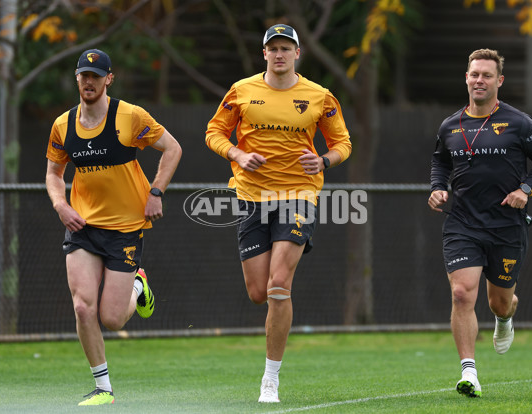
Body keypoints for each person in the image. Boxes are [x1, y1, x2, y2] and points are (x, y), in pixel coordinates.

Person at [205, 24, 352, 403]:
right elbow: (214, 132)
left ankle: (270, 379)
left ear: (297, 53)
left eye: (287, 47)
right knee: (258, 293)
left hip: (299, 195)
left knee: (278, 284)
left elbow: (342, 143)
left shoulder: (319, 96)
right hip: (253, 197)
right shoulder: (242, 90)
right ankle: (277, 306)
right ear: (264, 53)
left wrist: (322, 160)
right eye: (274, 48)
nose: (280, 54)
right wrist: (237, 154)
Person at [45, 49, 182, 405]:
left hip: (124, 228)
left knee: (113, 318)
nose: (88, 82)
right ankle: (103, 389)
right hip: (83, 226)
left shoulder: (130, 116)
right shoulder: (63, 124)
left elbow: (173, 148)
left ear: (109, 79)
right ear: (76, 79)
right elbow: (54, 174)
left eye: (96, 75)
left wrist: (156, 192)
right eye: (83, 75)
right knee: (82, 307)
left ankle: (140, 284)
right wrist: (61, 205)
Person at [428, 48, 532, 398]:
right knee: (461, 293)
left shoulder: (519, 123)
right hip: (463, 223)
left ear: (499, 81)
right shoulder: (449, 125)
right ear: (466, 78)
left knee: (499, 301)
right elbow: (440, 163)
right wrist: (438, 188)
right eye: (474, 74)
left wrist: (525, 189)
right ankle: (469, 371)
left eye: (486, 75)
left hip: (506, 226)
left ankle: (504, 317)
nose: (479, 80)